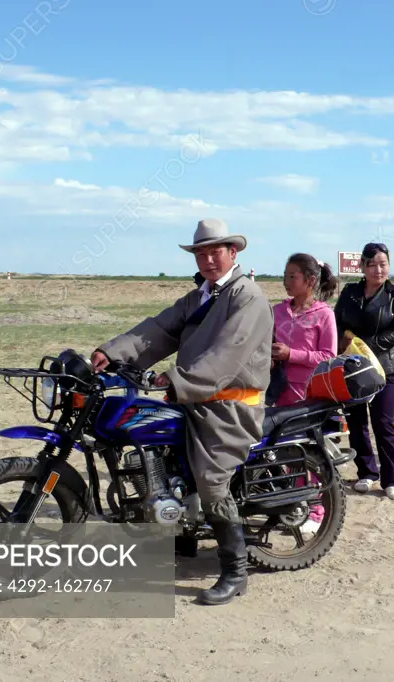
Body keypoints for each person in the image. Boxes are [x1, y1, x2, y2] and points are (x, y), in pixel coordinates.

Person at [90, 218, 273, 607]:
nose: (207, 259)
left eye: (215, 251)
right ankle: (180, 532)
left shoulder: (248, 297)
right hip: (194, 397)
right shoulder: (200, 297)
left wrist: (176, 381)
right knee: (159, 450)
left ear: (232, 253)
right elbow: (157, 330)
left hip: (229, 406)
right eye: (201, 253)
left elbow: (228, 355)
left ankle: (235, 572)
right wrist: (112, 352)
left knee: (210, 481)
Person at [333, 242, 394, 501]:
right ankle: (367, 473)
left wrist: (364, 346)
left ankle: (391, 479)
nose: (378, 269)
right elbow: (338, 321)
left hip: (384, 369)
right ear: (362, 266)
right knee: (356, 423)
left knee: (384, 423)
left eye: (383, 264)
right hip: (353, 370)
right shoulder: (350, 292)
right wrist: (347, 339)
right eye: (372, 264)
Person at [270, 252, 338, 535]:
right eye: (285, 275)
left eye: (292, 276)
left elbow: (328, 356)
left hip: (308, 396)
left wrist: (291, 354)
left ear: (310, 281)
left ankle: (317, 509)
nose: (286, 281)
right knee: (281, 453)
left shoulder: (324, 315)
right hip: (279, 392)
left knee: (306, 454)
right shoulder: (276, 311)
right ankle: (292, 504)